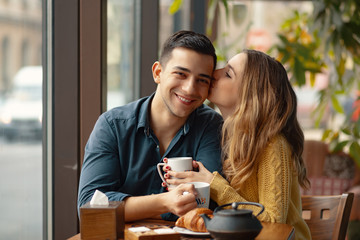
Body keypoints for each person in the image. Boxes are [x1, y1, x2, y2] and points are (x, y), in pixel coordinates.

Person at [164, 49, 312, 239]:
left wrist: (214, 184)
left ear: (251, 95)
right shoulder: (231, 139)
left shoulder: (273, 145)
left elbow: (274, 222)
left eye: (228, 74)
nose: (214, 74)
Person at [77, 30, 223, 222]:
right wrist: (166, 202)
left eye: (202, 80)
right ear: (158, 73)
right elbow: (90, 207)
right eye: (181, 74)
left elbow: (207, 203)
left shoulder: (211, 126)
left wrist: (125, 209)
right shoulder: (112, 126)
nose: (190, 89)